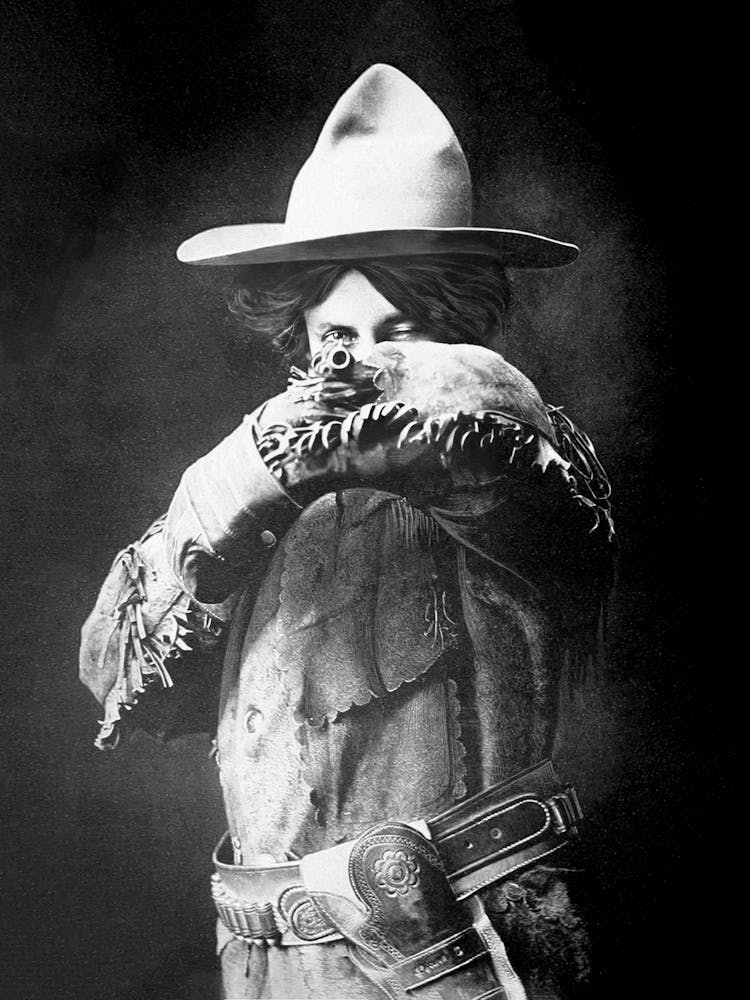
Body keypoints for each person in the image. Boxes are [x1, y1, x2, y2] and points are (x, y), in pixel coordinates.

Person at [80, 65, 613, 999]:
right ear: (297, 333)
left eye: (400, 326)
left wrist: (274, 452)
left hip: (453, 955)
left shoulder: (509, 446)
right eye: (334, 334)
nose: (361, 361)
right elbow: (119, 669)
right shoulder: (260, 487)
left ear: (457, 324)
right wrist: (259, 471)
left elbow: (477, 415)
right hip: (265, 966)